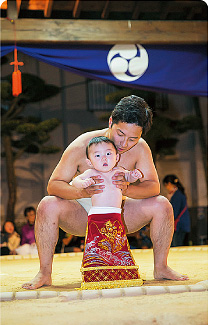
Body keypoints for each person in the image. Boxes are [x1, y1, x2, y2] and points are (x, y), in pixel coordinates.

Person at [22, 95, 188, 290]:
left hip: (120, 215)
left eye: (133, 138)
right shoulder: (82, 145)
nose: (124, 143)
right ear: (111, 122)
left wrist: (128, 188)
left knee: (162, 204)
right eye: (120, 134)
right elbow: (54, 185)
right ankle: (44, 272)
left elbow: (153, 187)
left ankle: (161, 267)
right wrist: (81, 192)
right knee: (47, 203)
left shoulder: (141, 148)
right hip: (84, 215)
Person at [72, 136, 143, 289]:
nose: (104, 158)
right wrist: (83, 183)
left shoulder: (119, 171)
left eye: (108, 154)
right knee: (97, 247)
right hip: (97, 216)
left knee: (117, 247)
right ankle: (95, 275)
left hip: (115, 215)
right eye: (97, 155)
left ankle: (121, 274)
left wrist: (134, 175)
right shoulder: (90, 172)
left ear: (117, 157)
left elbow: (129, 176)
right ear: (90, 161)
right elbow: (74, 182)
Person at [163, 174, 191, 247]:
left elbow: (174, 212)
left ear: (169, 184)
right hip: (181, 225)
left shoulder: (176, 195)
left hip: (179, 226)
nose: (166, 188)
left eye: (166, 185)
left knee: (176, 246)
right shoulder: (179, 193)